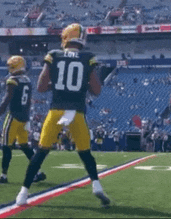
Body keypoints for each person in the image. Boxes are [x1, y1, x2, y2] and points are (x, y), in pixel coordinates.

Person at [16, 23, 110, 207]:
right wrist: (82, 86)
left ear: (66, 37)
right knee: (85, 153)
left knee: (41, 152)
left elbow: (41, 87)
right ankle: (96, 185)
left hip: (56, 109)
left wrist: (57, 86)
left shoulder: (54, 55)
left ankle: (23, 193)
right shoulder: (88, 57)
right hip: (77, 111)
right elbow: (97, 90)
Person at [0, 55, 46, 184]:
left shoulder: (12, 80)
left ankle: (3, 175)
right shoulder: (27, 80)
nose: (9, 68)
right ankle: (38, 172)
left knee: (6, 146)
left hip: (14, 116)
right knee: (25, 146)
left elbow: (5, 101)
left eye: (10, 66)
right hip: (24, 118)